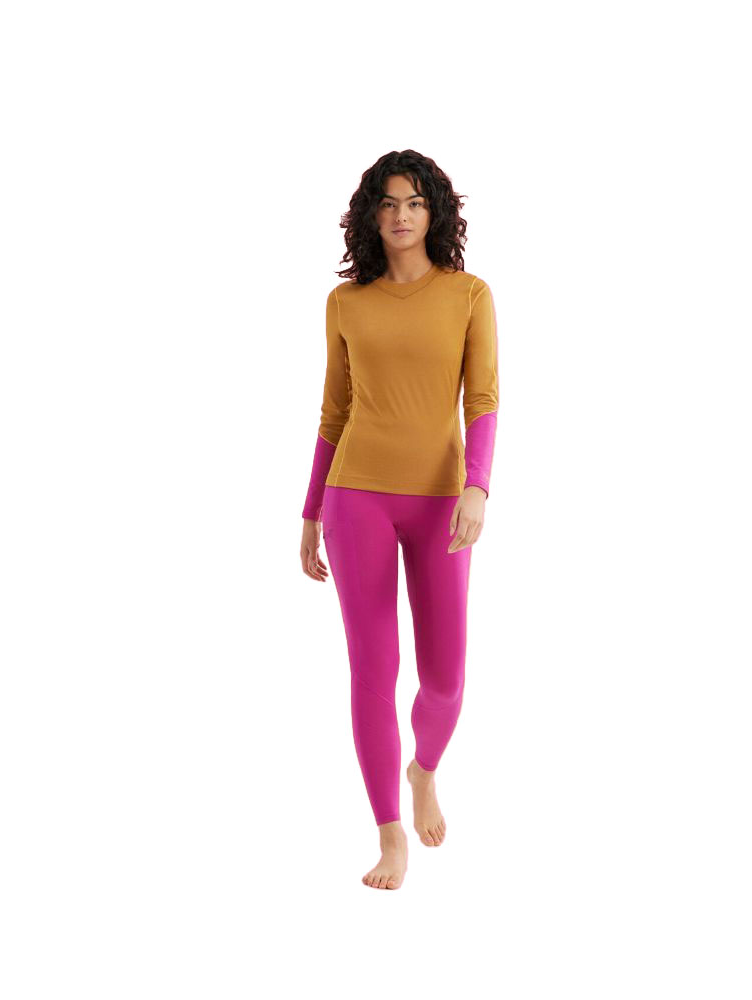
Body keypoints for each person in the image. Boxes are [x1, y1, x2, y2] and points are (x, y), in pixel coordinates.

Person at [299, 150, 499, 890]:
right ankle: (389, 836)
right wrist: (311, 510)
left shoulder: (469, 294)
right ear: (371, 216)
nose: (402, 215)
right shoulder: (346, 303)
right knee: (373, 667)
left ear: (433, 212)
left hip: (443, 500)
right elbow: (334, 412)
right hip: (357, 497)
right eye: (388, 203)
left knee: (446, 677)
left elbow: (483, 398)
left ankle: (424, 770)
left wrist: (477, 487)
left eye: (414, 202)